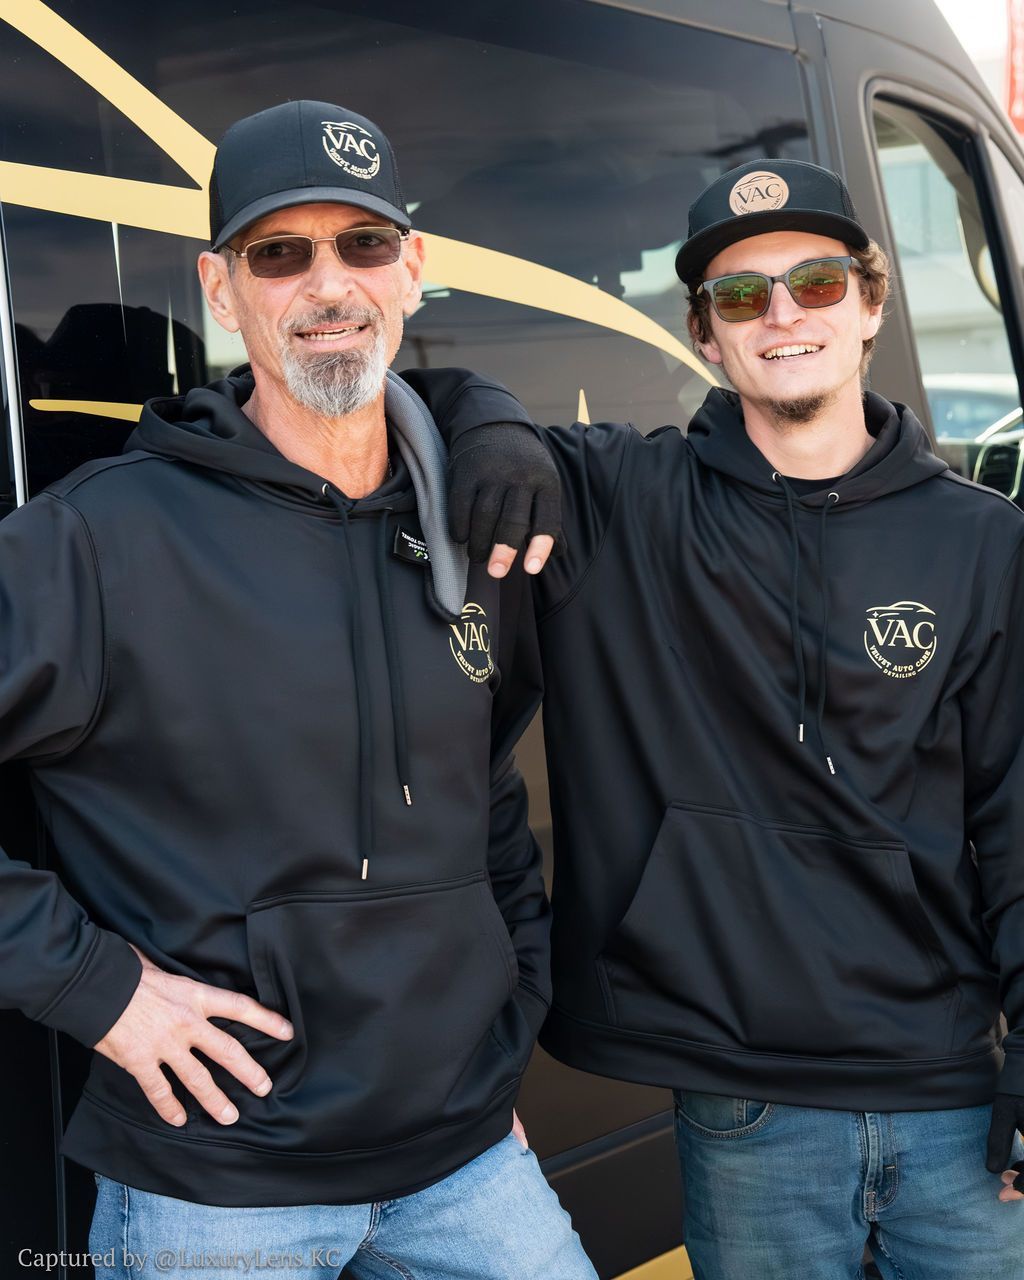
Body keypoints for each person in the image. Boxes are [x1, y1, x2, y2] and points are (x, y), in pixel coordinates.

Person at [0, 100, 593, 1280]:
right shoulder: (99, 541)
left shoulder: (474, 524)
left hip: (468, 1165)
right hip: (217, 1188)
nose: (328, 283)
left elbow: (480, 795)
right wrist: (97, 987)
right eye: (280, 252)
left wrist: (497, 1035)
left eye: (362, 244)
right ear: (221, 289)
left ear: (411, 268)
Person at [413, 158, 1024, 1278]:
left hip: (952, 1096)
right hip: (747, 1109)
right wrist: (493, 425)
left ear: (869, 305)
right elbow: (417, 391)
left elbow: (1019, 813)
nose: (781, 315)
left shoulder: (983, 540)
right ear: (705, 334)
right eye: (741, 296)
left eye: (816, 283)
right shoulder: (623, 502)